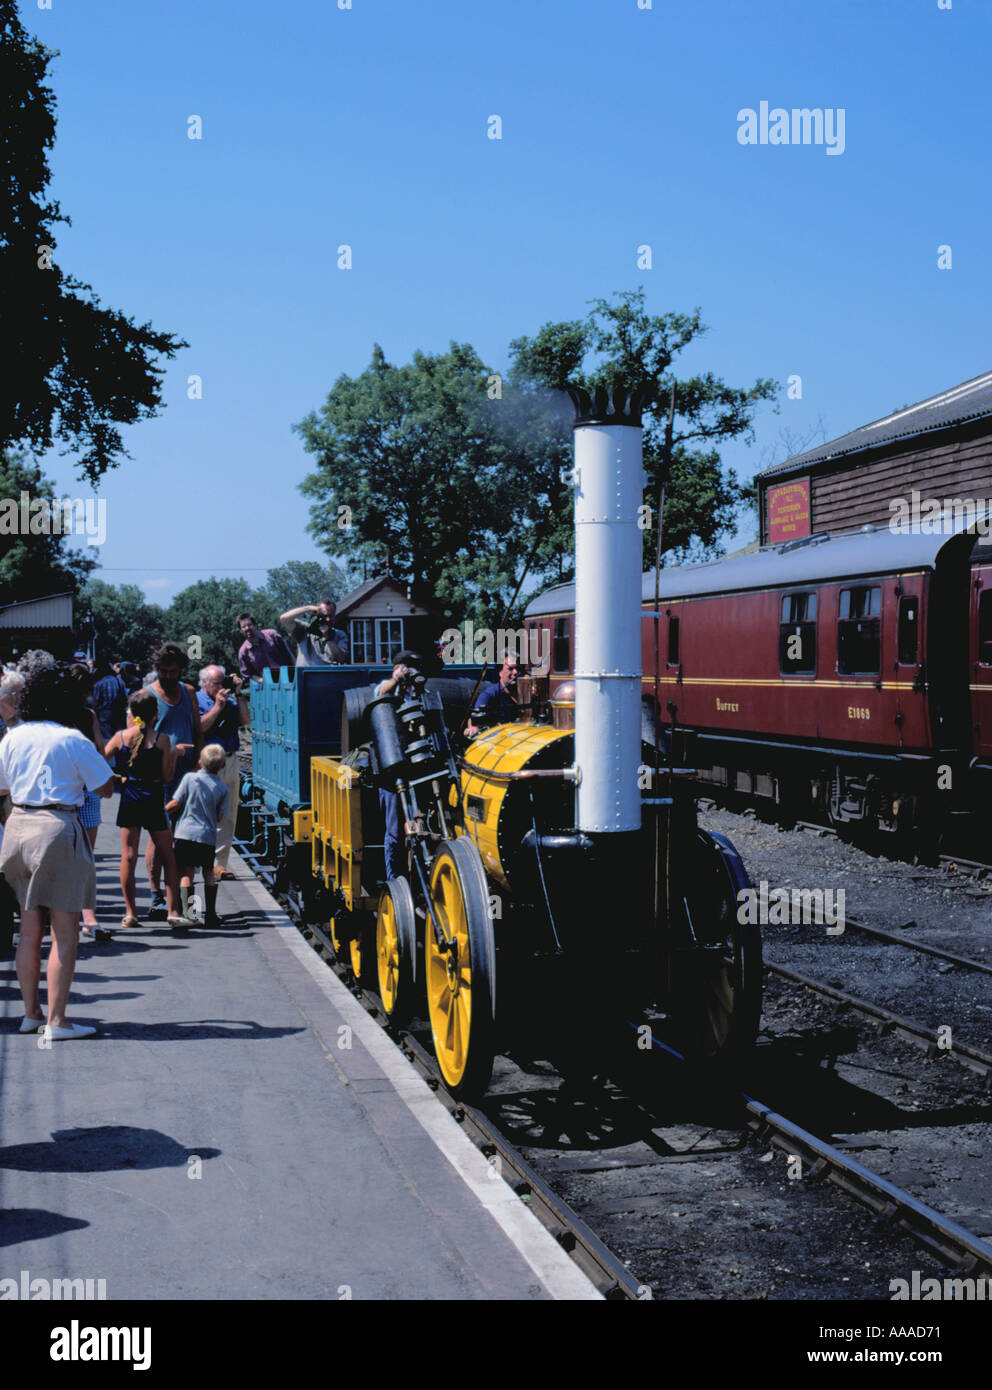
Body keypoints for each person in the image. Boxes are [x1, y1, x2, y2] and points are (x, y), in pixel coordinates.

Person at [0, 665, 114, 1039]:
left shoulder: (12, 737)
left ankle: (31, 1013)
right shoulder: (72, 739)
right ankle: (57, 1021)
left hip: (17, 826)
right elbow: (105, 787)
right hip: (56, 827)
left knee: (29, 929)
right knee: (64, 932)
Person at [104, 691, 186, 929]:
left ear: (132, 713)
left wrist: (117, 778)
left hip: (129, 796)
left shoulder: (120, 737)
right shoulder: (161, 740)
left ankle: (131, 913)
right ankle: (173, 911)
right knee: (168, 855)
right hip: (152, 797)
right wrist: (174, 754)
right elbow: (167, 776)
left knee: (128, 855)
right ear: (155, 715)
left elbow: (99, 759)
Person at [141, 643, 202, 919]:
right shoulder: (147, 695)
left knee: (188, 839)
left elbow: (197, 729)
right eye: (164, 671)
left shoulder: (188, 692)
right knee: (158, 838)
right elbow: (137, 739)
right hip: (159, 778)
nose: (168, 675)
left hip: (188, 777)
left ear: (181, 670)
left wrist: (199, 758)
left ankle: (188, 905)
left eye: (173, 671)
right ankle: (156, 898)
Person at [372, 651, 425, 882]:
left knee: (419, 825)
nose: (408, 673)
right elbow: (380, 693)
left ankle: (420, 875)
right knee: (394, 830)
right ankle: (394, 879)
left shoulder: (419, 693)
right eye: (404, 667)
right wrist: (396, 680)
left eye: (411, 668)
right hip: (392, 773)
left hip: (418, 770)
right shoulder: (385, 689)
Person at [165, 745, 228, 927]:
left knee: (186, 873)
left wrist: (161, 813)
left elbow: (176, 803)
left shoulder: (189, 778)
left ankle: (189, 914)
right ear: (222, 765)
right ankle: (210, 915)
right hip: (206, 836)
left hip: (184, 833)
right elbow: (219, 816)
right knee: (209, 873)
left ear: (200, 763)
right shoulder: (222, 789)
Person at [197, 665, 249, 879]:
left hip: (229, 760)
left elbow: (245, 720)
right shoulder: (197, 700)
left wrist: (238, 693)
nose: (220, 687)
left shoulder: (230, 700)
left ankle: (220, 864)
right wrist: (218, 706)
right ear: (204, 683)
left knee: (228, 815)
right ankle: (202, 860)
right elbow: (200, 727)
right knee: (206, 815)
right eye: (216, 683)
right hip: (209, 763)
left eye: (222, 682)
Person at [68, 664, 107, 936]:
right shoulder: (88, 715)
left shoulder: (53, 716)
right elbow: (100, 750)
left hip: (62, 793)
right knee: (86, 857)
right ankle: (88, 915)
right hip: (87, 790)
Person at [465, 652, 522, 736]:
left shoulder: (526, 692)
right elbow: (474, 718)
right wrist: (473, 728)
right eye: (510, 669)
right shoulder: (489, 694)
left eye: (518, 668)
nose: (515, 672)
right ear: (500, 672)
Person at [280, 599, 350, 666]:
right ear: (316, 616)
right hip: (305, 676)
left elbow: (342, 658)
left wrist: (327, 637)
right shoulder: (304, 630)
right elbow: (284, 618)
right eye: (324, 616)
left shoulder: (340, 635)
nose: (328, 619)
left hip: (327, 676)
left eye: (330, 616)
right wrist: (308, 608)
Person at [236, 612, 294, 684]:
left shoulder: (272, 635)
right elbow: (248, 674)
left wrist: (295, 675)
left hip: (288, 679)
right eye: (243, 627)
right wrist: (263, 681)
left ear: (255, 625)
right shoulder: (243, 652)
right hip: (266, 685)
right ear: (241, 630)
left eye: (249, 625)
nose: (247, 628)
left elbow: (289, 654)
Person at [91, 660, 128, 740]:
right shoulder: (120, 682)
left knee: (106, 737)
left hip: (104, 714)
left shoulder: (99, 684)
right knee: (118, 736)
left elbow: (95, 702)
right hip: (118, 712)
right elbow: (125, 699)